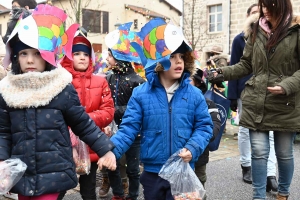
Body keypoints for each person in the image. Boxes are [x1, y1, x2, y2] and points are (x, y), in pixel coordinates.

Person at [0, 4, 116, 200]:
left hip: (54, 172)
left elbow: (82, 124)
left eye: (36, 53)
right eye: (23, 53)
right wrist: (2, 160)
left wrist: (105, 150)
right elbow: (3, 131)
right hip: (22, 174)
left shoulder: (60, 88)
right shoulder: (8, 91)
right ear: (16, 57)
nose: (30, 60)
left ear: (47, 56)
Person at [98, 18, 213, 200]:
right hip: (153, 173)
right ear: (159, 60)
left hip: (183, 171)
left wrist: (192, 148)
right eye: (172, 56)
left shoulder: (194, 94)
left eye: (182, 57)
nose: (179, 62)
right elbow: (128, 129)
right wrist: (113, 151)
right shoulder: (141, 94)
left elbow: (205, 127)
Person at [208, 0, 299, 199]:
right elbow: (245, 65)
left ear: (282, 5)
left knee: (284, 153)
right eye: (263, 5)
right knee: (258, 151)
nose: (265, 10)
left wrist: (286, 86)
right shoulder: (257, 30)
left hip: (286, 102)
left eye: (270, 5)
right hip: (256, 100)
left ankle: (283, 192)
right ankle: (258, 196)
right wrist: (219, 73)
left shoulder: (296, 30)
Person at [58, 32, 115, 200]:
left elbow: (108, 111)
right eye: (77, 53)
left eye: (85, 54)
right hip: (65, 145)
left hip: (91, 143)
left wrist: (81, 120)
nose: (82, 58)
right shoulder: (61, 82)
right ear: (69, 56)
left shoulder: (100, 81)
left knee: (89, 190)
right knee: (58, 189)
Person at [227, 4, 278, 192]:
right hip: (245, 91)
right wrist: (232, 96)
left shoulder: (273, 36)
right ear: (248, 16)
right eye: (254, 12)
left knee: (270, 132)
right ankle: (246, 165)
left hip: (267, 91)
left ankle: (270, 174)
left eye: (260, 11)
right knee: (245, 130)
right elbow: (235, 66)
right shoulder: (240, 39)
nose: (259, 14)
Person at [100, 23, 146, 200]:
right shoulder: (109, 78)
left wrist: (113, 111)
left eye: (110, 56)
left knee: (133, 169)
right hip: (111, 131)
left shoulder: (137, 81)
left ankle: (133, 195)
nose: (107, 59)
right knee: (113, 165)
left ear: (119, 57)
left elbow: (139, 109)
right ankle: (118, 194)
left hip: (134, 134)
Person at [191, 68, 221, 200]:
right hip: (178, 154)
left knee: (198, 184)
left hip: (199, 154)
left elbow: (215, 124)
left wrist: (201, 140)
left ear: (197, 83)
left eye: (188, 79)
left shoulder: (208, 103)